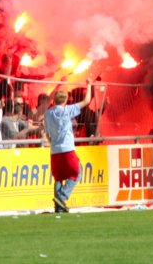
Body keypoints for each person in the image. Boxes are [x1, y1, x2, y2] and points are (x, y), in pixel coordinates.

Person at [44, 78, 93, 213]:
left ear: (54, 100)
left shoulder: (48, 113)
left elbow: (46, 133)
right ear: (65, 101)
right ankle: (62, 197)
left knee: (59, 177)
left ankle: (58, 207)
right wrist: (89, 85)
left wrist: (52, 142)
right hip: (67, 149)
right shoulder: (67, 110)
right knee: (77, 173)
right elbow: (86, 101)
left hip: (54, 150)